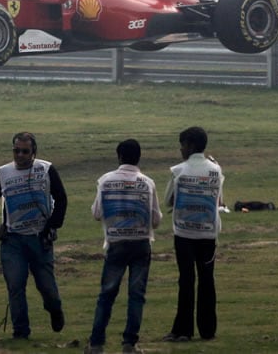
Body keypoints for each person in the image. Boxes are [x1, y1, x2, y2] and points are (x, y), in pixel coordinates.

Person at [84, 139, 162, 354]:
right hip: (141, 244)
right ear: (139, 157)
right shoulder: (147, 183)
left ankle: (96, 343)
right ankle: (129, 343)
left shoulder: (106, 181)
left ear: (119, 156)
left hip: (116, 243)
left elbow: (96, 213)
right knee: (136, 295)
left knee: (107, 294)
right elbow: (156, 220)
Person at [0, 132, 67, 340]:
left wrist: (52, 226)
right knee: (16, 285)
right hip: (13, 240)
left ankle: (55, 309)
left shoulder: (46, 169)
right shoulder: (2, 173)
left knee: (47, 286)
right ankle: (21, 332)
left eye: (25, 151)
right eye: (16, 150)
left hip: (40, 238)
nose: (20, 155)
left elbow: (61, 199)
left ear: (34, 152)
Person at [162, 126, 225, 343]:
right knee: (207, 280)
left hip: (184, 234)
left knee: (186, 280)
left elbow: (168, 200)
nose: (180, 149)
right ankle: (207, 330)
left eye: (182, 145)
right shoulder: (216, 170)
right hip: (208, 234)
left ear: (190, 145)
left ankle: (183, 330)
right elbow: (219, 199)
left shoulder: (178, 171)